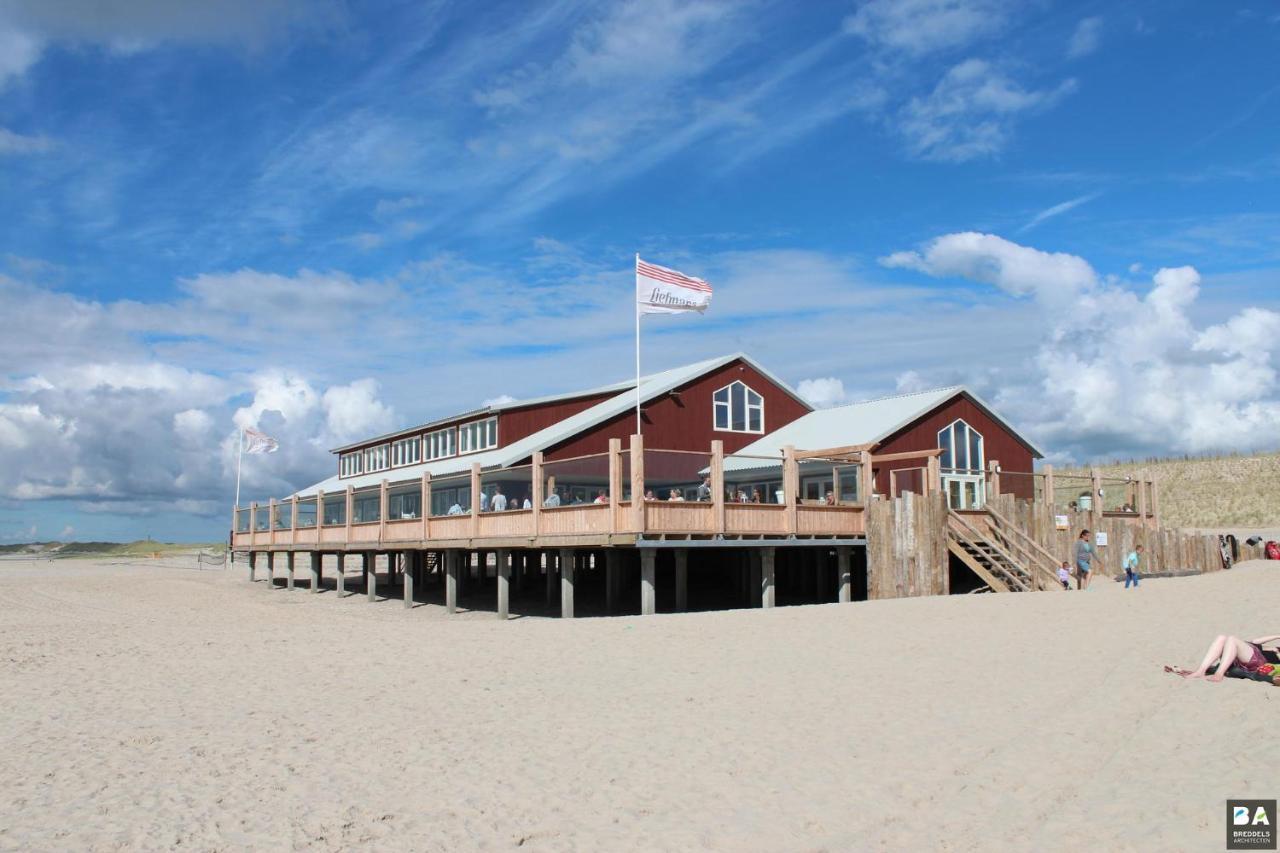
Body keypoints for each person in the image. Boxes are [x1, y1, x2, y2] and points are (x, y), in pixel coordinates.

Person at [1167, 634, 1280, 682]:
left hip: (1258, 662)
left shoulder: (1275, 653)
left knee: (1232, 639)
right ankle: (1200, 671)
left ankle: (1219, 673)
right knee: (1222, 637)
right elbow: (1255, 641)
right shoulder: (1252, 647)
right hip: (1245, 657)